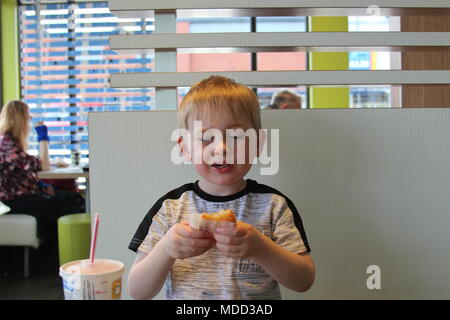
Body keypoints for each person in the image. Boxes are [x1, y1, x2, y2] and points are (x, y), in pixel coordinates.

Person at [128, 76, 315, 300]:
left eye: (236, 136)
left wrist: (261, 248)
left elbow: (303, 280)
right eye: (206, 138)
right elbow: (138, 292)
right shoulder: (170, 208)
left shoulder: (274, 206)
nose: (222, 148)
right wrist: (166, 249)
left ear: (258, 143)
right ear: (185, 148)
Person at [0, 100, 85, 241]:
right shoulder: (7, 144)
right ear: (21, 119)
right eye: (28, 117)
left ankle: (51, 253)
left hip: (20, 197)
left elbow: (20, 172)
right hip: (15, 201)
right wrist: (43, 137)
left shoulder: (8, 142)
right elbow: (44, 166)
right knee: (74, 200)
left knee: (66, 198)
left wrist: (41, 185)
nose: (30, 121)